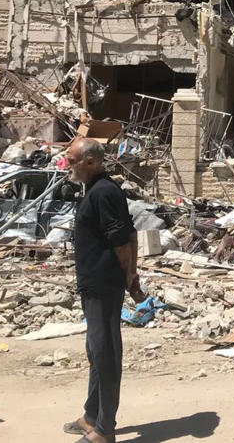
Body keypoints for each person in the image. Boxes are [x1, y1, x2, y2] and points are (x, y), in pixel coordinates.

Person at [63, 138, 145, 443]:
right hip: (93, 285)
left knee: (106, 352)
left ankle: (104, 429)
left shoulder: (105, 192)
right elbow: (131, 233)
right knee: (95, 352)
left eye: (71, 161)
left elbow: (124, 240)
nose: (67, 166)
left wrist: (130, 278)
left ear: (91, 162)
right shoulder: (94, 190)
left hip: (104, 286)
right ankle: (91, 415)